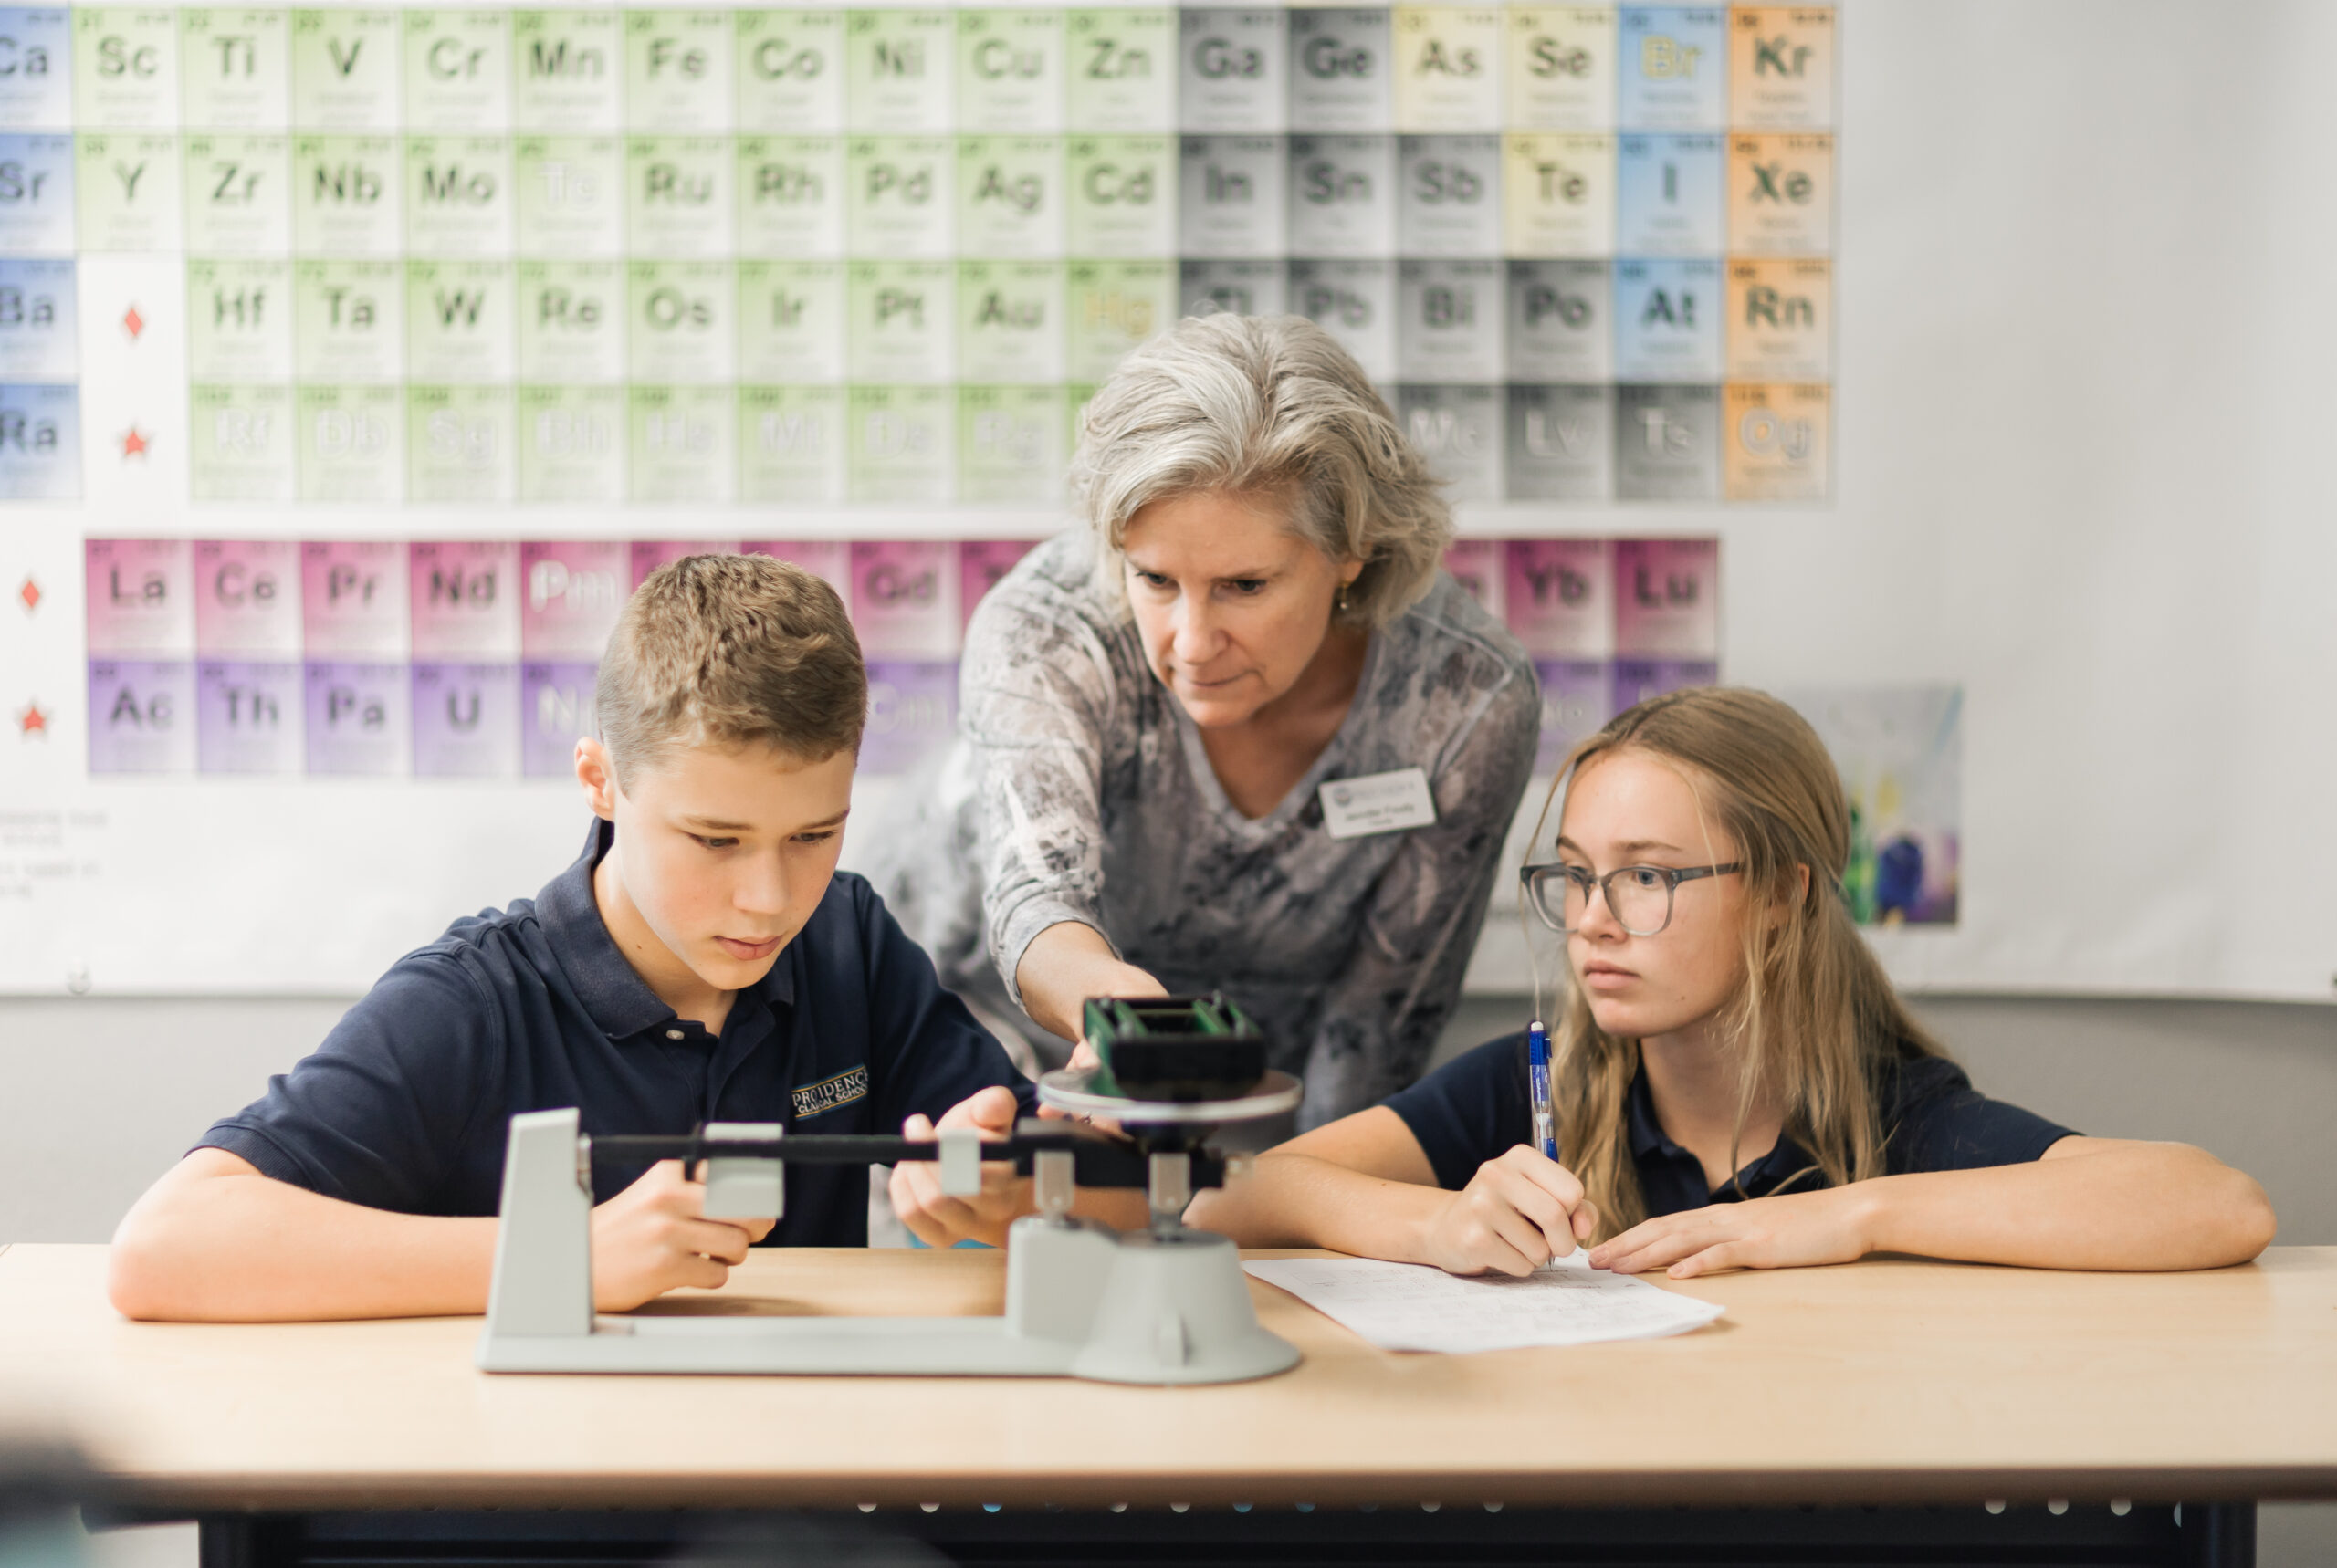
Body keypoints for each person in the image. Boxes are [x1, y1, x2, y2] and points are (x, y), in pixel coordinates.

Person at [108, 556, 1038, 1322]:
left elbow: (1095, 1184)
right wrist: (563, 1253)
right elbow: (165, 1245)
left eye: (811, 835)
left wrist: (1014, 1189)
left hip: (775, 1500)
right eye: (714, 840)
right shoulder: (474, 1003)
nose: (769, 899)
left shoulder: (846, 940)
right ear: (600, 779)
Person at [1180, 686, 2279, 1276]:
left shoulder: (1889, 1113)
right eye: (1572, 876)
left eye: (1648, 876)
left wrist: (1844, 1218)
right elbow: (1229, 1191)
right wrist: (1435, 1225)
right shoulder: (1538, 1089)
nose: (1593, 921)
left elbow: (2215, 1203)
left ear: (1783, 893)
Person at [866, 312, 1540, 1133]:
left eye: (1245, 585)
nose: (1191, 642)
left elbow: (1380, 1025)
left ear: (1352, 550)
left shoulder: (1466, 698)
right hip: (962, 1037)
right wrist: (1118, 1014)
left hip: (1238, 1090)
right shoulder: (1045, 629)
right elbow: (1038, 900)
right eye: (1154, 578)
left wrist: (1299, 1209)